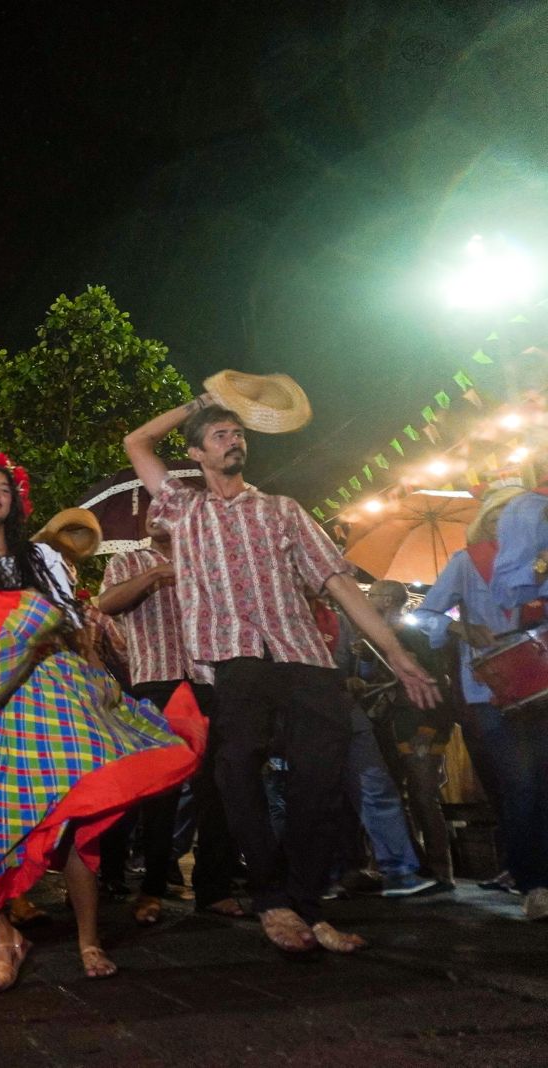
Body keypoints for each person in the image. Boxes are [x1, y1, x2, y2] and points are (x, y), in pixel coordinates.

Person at [124, 395, 440, 954]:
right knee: (236, 765)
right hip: (234, 656)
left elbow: (339, 585)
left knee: (322, 774)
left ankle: (308, 904)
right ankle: (272, 898)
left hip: (302, 655)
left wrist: (396, 652)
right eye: (219, 434)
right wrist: (201, 402)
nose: (232, 439)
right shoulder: (181, 507)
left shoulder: (284, 510)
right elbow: (137, 442)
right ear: (196, 453)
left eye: (237, 432)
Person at [0, 454, 203, 991]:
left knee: (77, 808)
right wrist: (14, 608)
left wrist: (41, 615)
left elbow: (68, 616)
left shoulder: (40, 558)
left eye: (3, 488)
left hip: (50, 686)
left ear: (15, 502)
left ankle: (88, 938)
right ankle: (1, 938)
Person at [98, 520, 243, 923]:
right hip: (156, 684)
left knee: (218, 787)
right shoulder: (128, 560)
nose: (162, 516)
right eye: (153, 509)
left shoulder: (207, 559)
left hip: (208, 681)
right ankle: (152, 889)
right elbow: (106, 604)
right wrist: (158, 574)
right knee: (160, 792)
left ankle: (214, 888)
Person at [420, 486, 548, 921]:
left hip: (542, 682)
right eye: (502, 516)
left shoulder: (540, 558)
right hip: (491, 690)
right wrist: (462, 630)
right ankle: (533, 881)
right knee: (522, 784)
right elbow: (428, 615)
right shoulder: (465, 562)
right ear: (489, 521)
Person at [339, 580, 450, 894]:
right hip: (387, 728)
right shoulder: (371, 641)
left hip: (417, 729)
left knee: (423, 798)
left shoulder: (414, 636)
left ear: (387, 600)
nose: (368, 600)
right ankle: (412, 863)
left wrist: (428, 730)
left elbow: (435, 684)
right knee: (394, 799)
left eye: (372, 595)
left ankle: (441, 869)